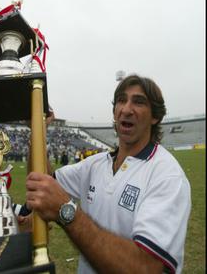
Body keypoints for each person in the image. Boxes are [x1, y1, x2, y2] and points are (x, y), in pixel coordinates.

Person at [25, 74, 191, 273]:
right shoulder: (95, 164)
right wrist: (38, 129)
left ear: (155, 116)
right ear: (114, 112)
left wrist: (67, 212)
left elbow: (147, 267)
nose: (126, 109)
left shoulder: (167, 176)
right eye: (121, 100)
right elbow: (44, 182)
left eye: (138, 102)